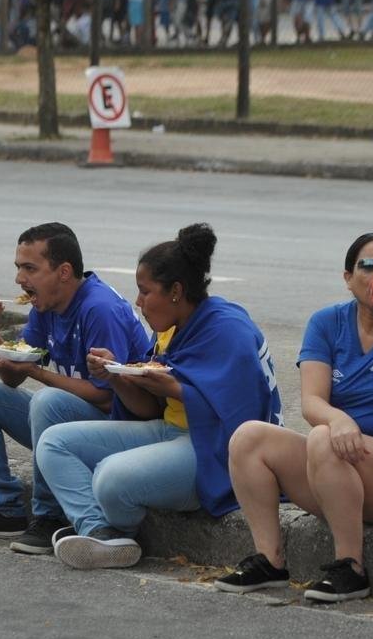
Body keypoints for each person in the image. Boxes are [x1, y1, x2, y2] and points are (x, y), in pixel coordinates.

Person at [217, 233, 373, 598]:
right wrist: (339, 420)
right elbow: (312, 401)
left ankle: (352, 568)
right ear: (348, 278)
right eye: (368, 266)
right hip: (337, 460)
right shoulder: (328, 322)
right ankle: (270, 560)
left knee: (322, 439)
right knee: (249, 438)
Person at [36, 224, 283, 570]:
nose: (138, 302)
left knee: (110, 477)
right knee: (53, 443)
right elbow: (147, 409)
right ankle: (101, 532)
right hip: (168, 432)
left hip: (211, 449)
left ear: (176, 292)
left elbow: (243, 415)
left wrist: (172, 388)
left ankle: (108, 531)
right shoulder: (172, 327)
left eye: (145, 291)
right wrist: (117, 377)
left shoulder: (228, 328)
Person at [0, 223, 150, 554]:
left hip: (120, 432)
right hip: (69, 426)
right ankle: (1, 507)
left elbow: (107, 397)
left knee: (48, 401)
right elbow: (14, 375)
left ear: (64, 272)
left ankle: (49, 515)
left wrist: (36, 372)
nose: (20, 279)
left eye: (30, 268)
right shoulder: (46, 304)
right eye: (18, 268)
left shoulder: (99, 308)